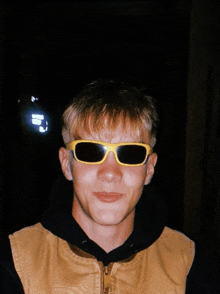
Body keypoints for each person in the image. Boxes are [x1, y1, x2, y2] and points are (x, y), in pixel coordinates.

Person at [0, 79, 219, 293]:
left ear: (149, 168)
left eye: (130, 153)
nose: (110, 173)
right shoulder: (14, 262)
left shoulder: (191, 265)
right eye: (90, 151)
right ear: (67, 164)